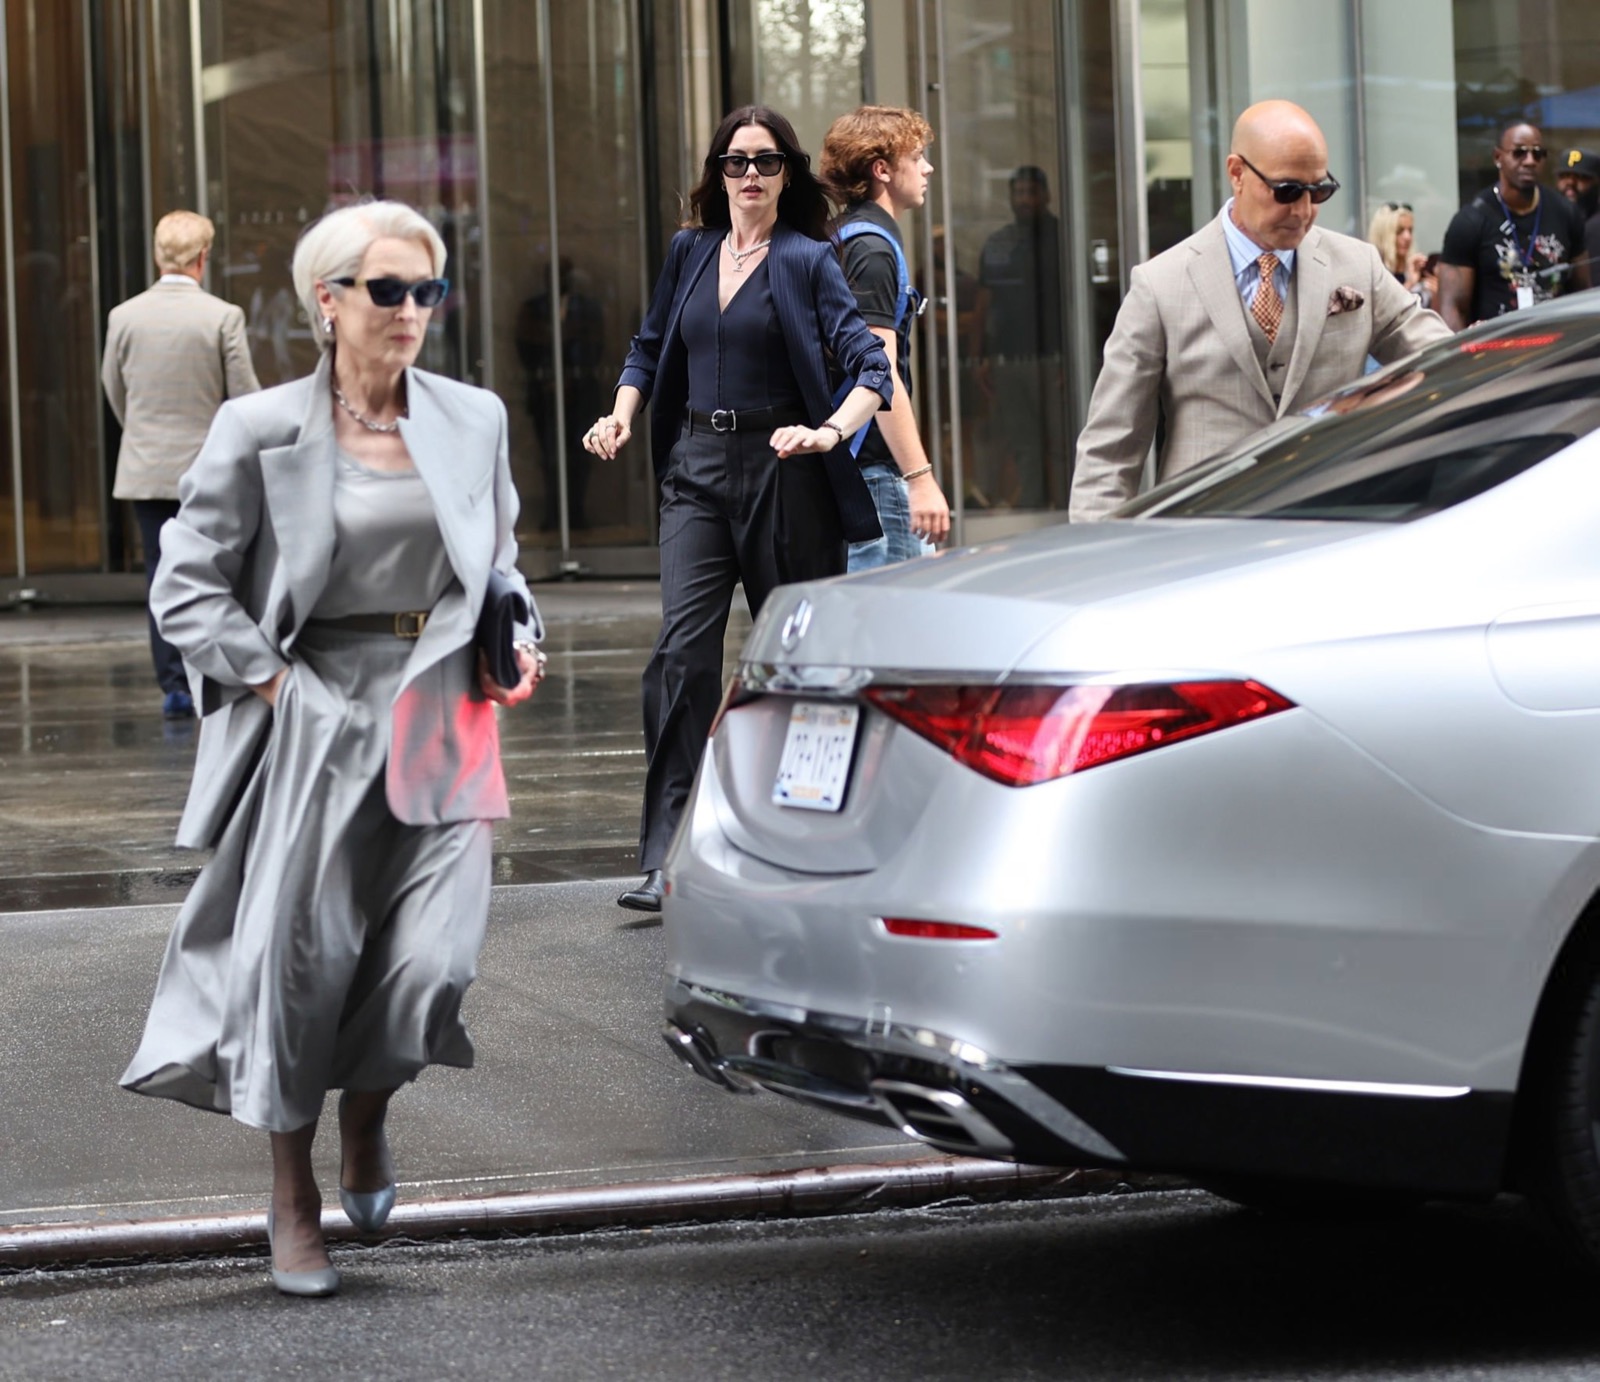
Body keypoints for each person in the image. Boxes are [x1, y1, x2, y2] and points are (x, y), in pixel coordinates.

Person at [119, 200, 544, 1297]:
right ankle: (291, 1193)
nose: (411, 310)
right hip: (316, 713)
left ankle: (369, 1109)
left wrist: (518, 641)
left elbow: (499, 561)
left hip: (444, 711)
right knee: (300, 968)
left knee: (433, 964)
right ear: (329, 299)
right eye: (387, 289)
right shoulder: (259, 428)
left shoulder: (474, 417)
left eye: (426, 292)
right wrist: (272, 681)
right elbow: (185, 582)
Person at [584, 105, 891, 913]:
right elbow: (650, 346)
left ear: (788, 174)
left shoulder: (808, 260)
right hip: (696, 468)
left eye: (766, 161)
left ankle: (799, 844)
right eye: (735, 161)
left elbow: (871, 368)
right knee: (680, 656)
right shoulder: (689, 251)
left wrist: (829, 432)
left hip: (784, 471)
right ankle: (669, 855)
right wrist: (621, 413)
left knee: (792, 668)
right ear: (717, 173)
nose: (750, 175)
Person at [1069, 100, 1451, 522]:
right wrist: (1096, 547)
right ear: (1237, 173)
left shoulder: (1358, 265)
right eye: (1286, 191)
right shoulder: (1160, 285)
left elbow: (1442, 359)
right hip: (1202, 534)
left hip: (1332, 528)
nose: (1303, 211)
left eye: (1319, 191)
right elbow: (1110, 451)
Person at [101, 210, 260, 719]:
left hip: (146, 468)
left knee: (160, 571)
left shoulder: (124, 316)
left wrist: (143, 434)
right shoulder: (223, 316)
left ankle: (173, 685)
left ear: (157, 255)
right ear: (203, 257)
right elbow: (244, 397)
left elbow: (114, 389)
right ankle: (213, 671)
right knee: (217, 572)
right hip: (209, 469)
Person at [819, 104, 950, 569]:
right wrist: (919, 478)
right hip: (875, 474)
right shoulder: (872, 250)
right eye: (916, 157)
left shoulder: (838, 236)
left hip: (852, 466)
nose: (927, 168)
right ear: (882, 170)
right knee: (897, 610)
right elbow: (879, 373)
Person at [970, 165, 1065, 509]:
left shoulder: (1063, 237)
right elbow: (983, 304)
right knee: (1023, 443)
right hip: (1008, 360)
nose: (1024, 200)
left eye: (1031, 192)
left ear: (1046, 195)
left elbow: (1077, 300)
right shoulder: (1000, 243)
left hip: (1052, 359)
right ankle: (1034, 513)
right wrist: (978, 357)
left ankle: (1068, 512)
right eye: (1019, 193)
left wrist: (1074, 359)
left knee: (1061, 442)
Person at [1437, 121, 1590, 330]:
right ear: (1497, 157)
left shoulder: (1565, 213)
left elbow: (1582, 293)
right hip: (1497, 344)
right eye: (1519, 153)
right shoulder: (1471, 220)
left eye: (1538, 154)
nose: (1530, 161)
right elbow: (1453, 307)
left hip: (1554, 341)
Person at [515, 258, 606, 531]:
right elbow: (525, 345)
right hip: (545, 393)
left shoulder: (588, 308)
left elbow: (596, 346)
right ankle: (553, 515)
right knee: (549, 457)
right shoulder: (533, 308)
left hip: (580, 392)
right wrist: (548, 378)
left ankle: (576, 513)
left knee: (580, 457)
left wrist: (572, 378)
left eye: (564, 274)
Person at [1366, 201, 1428, 295]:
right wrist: (1409, 284)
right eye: (1399, 231)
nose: (1407, 237)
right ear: (1383, 235)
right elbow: (1388, 304)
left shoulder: (1414, 269)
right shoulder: (1374, 274)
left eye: (1410, 230)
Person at [1556, 147, 1600, 276]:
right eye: (1564, 176)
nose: (1570, 182)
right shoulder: (1550, 217)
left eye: (1581, 177)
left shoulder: (1596, 226)